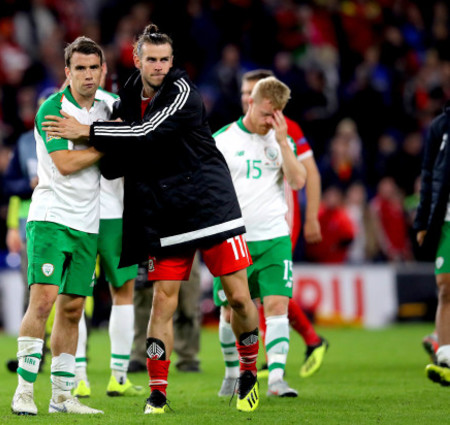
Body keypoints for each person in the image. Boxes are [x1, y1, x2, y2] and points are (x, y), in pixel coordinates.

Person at [43, 24, 260, 414]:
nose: (159, 67)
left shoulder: (183, 93)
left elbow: (142, 133)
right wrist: (103, 149)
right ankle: (157, 392)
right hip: (168, 213)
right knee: (162, 303)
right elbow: (124, 149)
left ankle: (248, 371)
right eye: (152, 60)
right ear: (137, 59)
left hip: (210, 206)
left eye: (165, 60)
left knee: (240, 298)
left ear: (172, 62)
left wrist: (87, 131)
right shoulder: (128, 92)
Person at [9, 36, 112, 416]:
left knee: (72, 310)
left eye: (93, 68)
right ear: (67, 72)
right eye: (80, 68)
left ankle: (62, 396)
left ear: (103, 71)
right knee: (43, 303)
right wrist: (107, 142)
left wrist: (92, 133)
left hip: (88, 222)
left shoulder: (109, 107)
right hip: (52, 218)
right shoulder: (52, 109)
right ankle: (23, 389)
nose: (87, 75)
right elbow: (66, 166)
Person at [215, 70, 329, 397]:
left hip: (274, 237)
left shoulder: (282, 140)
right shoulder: (223, 140)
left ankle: (277, 378)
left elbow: (297, 181)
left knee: (277, 304)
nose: (270, 121)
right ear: (251, 103)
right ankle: (232, 371)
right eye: (266, 114)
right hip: (234, 239)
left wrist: (282, 142)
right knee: (233, 309)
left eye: (276, 115)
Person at [72, 167, 145, 398]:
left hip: (79, 214)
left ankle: (79, 379)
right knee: (123, 295)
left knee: (75, 297)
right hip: (115, 213)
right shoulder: (118, 127)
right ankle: (119, 378)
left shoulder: (70, 129)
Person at [414, 101, 450, 386]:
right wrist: (422, 220)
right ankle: (446, 358)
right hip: (447, 218)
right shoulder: (440, 126)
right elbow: (428, 176)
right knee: (445, 285)